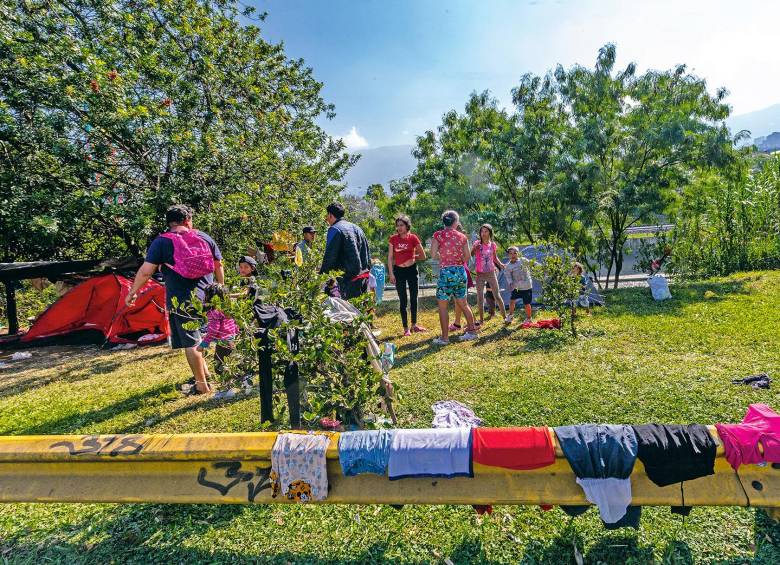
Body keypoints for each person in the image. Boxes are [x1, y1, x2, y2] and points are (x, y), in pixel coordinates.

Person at [126, 204, 223, 394]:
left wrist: (133, 292)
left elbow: (146, 272)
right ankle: (206, 374)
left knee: (191, 341)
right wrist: (220, 287)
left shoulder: (162, 242)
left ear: (169, 222)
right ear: (188, 220)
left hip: (181, 299)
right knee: (201, 336)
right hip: (209, 297)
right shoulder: (204, 237)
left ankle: (202, 386)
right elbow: (218, 265)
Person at [431, 210, 478, 345]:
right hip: (460, 271)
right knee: (463, 303)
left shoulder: (438, 235)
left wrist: (445, 258)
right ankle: (472, 332)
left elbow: (433, 254)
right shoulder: (462, 237)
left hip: (446, 272)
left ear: (444, 221)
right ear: (456, 222)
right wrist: (457, 261)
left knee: (443, 306)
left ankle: (445, 338)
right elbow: (467, 256)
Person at [320, 202, 371, 299]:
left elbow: (329, 257)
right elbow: (367, 254)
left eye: (327, 215)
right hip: (363, 277)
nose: (326, 218)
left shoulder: (334, 229)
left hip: (348, 280)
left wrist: (321, 277)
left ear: (330, 215)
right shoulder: (358, 228)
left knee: (348, 311)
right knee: (362, 310)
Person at [387, 214, 427, 336]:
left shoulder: (413, 238)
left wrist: (412, 257)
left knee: (414, 298)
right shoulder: (393, 239)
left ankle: (414, 325)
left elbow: (423, 256)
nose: (399, 228)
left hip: (411, 270)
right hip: (398, 271)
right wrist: (391, 274)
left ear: (407, 226)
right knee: (403, 300)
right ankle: (406, 329)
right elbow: (390, 258)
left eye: (401, 225)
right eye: (397, 225)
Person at [198, 283, 239, 375]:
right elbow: (234, 324)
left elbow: (214, 330)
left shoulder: (213, 312)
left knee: (219, 368)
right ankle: (241, 382)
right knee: (233, 363)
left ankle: (228, 387)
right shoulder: (227, 308)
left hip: (223, 343)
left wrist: (203, 344)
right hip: (233, 339)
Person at [472, 224, 507, 325]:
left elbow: (495, 258)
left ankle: (505, 317)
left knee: (497, 295)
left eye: (486, 231)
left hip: (491, 273)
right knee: (480, 297)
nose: (483, 233)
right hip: (480, 274)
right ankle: (481, 320)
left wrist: (500, 264)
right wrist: (475, 249)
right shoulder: (477, 243)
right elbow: (471, 254)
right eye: (482, 231)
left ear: (490, 233)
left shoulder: (493, 245)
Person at [450, 222, 475, 333]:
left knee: (462, 301)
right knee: (459, 300)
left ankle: (473, 324)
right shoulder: (459, 241)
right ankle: (457, 323)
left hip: (461, 271)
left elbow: (467, 256)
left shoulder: (459, 241)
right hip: (461, 270)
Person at [504, 246, 533, 324]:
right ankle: (510, 315)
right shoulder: (508, 266)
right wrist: (510, 283)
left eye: (515, 253)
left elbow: (531, 263)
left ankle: (529, 318)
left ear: (518, 254)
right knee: (512, 301)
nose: (513, 255)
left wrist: (538, 266)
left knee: (526, 303)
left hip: (527, 286)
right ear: (508, 255)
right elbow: (508, 275)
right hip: (516, 287)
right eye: (510, 253)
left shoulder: (523, 260)